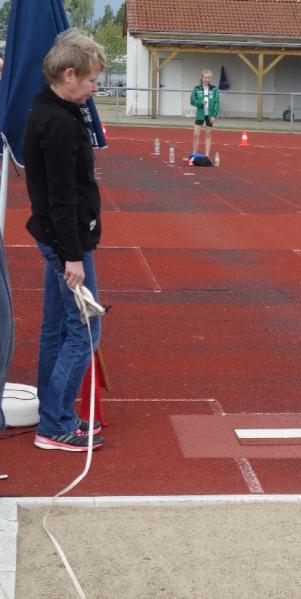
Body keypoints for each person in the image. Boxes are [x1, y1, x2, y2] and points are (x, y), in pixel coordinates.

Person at [23, 29, 106, 451]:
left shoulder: (54, 109)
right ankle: (55, 423)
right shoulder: (56, 122)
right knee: (86, 329)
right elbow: (61, 197)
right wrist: (72, 256)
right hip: (65, 243)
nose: (95, 88)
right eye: (91, 80)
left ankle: (51, 412)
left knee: (56, 326)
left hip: (58, 237)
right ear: (69, 74)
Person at [189, 69, 220, 157]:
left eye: (209, 78)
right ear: (202, 78)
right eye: (206, 78)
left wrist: (214, 115)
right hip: (200, 114)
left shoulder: (214, 89)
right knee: (195, 135)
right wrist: (200, 103)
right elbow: (192, 101)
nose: (207, 80)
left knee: (208, 134)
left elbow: (217, 103)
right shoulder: (196, 89)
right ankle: (194, 154)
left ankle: (207, 155)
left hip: (210, 115)